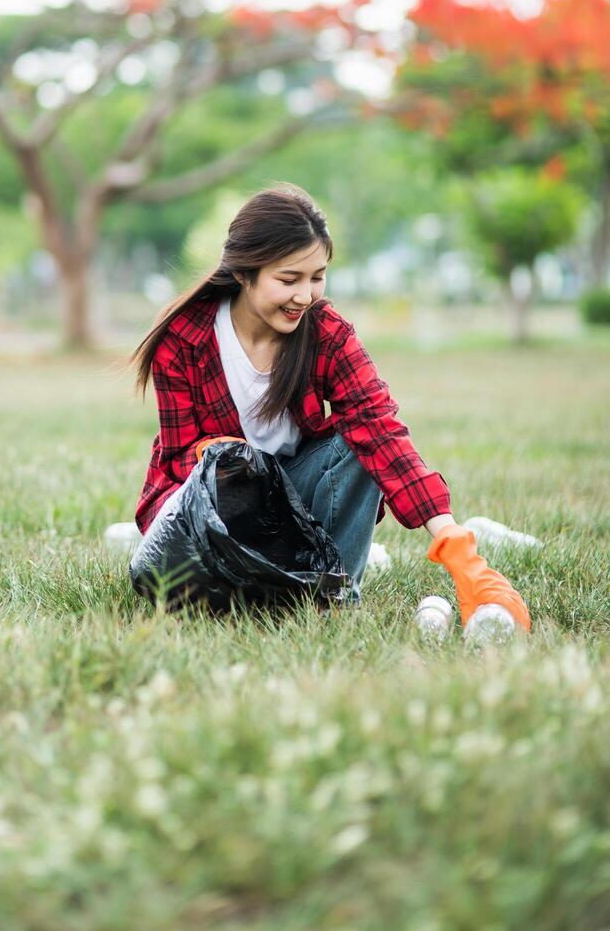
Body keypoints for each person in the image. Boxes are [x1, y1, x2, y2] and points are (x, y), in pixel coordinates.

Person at [129, 183, 530, 632]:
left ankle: (332, 596)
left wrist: (456, 545)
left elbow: (380, 431)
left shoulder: (327, 333)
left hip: (297, 500)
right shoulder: (184, 340)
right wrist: (222, 457)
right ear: (244, 273)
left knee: (360, 446)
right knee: (195, 594)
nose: (306, 295)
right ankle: (270, 579)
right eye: (288, 279)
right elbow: (181, 457)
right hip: (218, 508)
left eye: (316, 276)